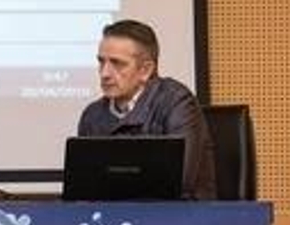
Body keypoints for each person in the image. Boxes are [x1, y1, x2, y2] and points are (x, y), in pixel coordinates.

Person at [76, 19, 216, 200]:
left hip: (179, 219)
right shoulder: (92, 115)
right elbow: (84, 188)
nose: (105, 73)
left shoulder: (177, 102)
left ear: (146, 70)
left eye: (117, 63)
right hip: (114, 219)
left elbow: (179, 183)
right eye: (101, 62)